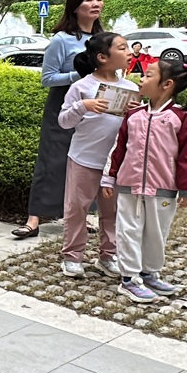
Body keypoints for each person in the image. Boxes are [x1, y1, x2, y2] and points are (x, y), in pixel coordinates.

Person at [13, 0, 105, 239]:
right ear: (75, 7)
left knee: (88, 162)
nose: (96, 4)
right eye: (90, 0)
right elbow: (48, 79)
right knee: (51, 161)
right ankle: (34, 219)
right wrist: (79, 75)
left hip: (94, 108)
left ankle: (83, 215)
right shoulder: (61, 40)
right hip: (62, 105)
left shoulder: (104, 39)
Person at [102, 59, 187, 303]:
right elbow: (118, 149)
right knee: (128, 230)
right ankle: (129, 279)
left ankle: (149, 272)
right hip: (128, 185)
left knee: (156, 233)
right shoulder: (133, 115)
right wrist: (108, 178)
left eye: (147, 75)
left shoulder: (180, 118)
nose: (141, 79)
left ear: (167, 84)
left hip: (163, 189)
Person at [56, 32, 135, 278]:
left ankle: (108, 256)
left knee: (112, 212)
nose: (129, 52)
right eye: (122, 48)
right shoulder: (81, 87)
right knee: (76, 208)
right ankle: (72, 256)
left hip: (115, 165)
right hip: (84, 160)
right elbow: (64, 122)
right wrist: (83, 106)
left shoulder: (130, 88)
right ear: (102, 57)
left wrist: (135, 113)